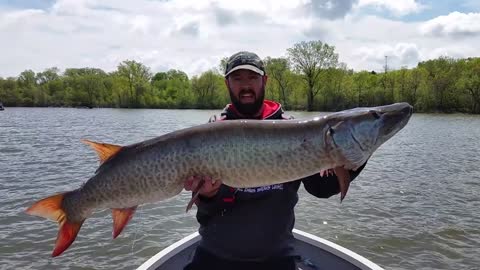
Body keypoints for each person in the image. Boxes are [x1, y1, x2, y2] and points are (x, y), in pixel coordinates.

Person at [183, 51, 367, 270]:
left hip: (277, 259)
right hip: (215, 257)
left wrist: (358, 153)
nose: (246, 86)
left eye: (252, 77)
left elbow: (320, 188)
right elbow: (209, 208)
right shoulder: (211, 133)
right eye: (237, 78)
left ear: (265, 80)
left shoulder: (298, 132)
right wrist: (208, 195)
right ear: (227, 84)